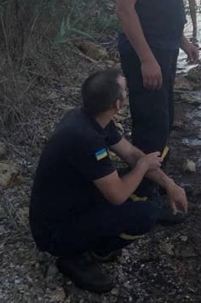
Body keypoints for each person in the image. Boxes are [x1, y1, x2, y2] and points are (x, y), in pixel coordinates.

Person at [29, 68, 188, 293]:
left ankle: (100, 235)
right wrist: (143, 166)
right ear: (117, 104)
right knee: (145, 215)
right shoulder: (86, 139)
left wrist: (170, 184)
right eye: (125, 89)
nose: (127, 92)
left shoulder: (89, 117)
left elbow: (132, 154)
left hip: (75, 199)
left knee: (145, 170)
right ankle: (83, 255)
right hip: (55, 231)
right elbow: (117, 195)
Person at [111, 0, 199, 222]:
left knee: (162, 118)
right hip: (145, 53)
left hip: (164, 48)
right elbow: (125, 10)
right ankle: (140, 197)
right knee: (150, 123)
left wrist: (184, 41)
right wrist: (147, 59)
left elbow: (161, 6)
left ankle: (155, 183)